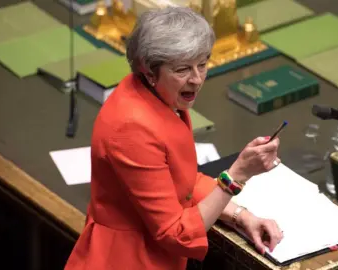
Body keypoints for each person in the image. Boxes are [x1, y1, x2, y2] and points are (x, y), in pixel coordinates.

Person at [65, 6, 283, 270]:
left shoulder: (159, 95)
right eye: (182, 70)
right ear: (149, 71)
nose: (197, 79)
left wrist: (241, 216)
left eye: (202, 65)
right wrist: (235, 177)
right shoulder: (131, 128)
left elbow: (181, 181)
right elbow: (176, 234)